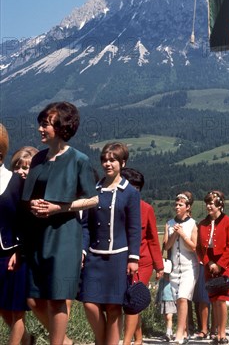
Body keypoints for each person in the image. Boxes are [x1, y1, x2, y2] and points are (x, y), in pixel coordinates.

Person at [22, 102, 98, 345]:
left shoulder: (79, 160)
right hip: (37, 235)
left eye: (45, 124)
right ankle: (65, 341)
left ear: (61, 126)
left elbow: (93, 199)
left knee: (57, 299)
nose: (40, 129)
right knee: (33, 299)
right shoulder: (37, 160)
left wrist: (60, 208)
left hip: (64, 236)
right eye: (41, 123)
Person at [78, 142, 141, 345]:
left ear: (123, 162)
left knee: (114, 307)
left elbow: (134, 228)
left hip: (119, 257)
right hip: (94, 256)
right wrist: (82, 251)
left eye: (112, 160)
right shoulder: (93, 191)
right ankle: (101, 339)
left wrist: (133, 258)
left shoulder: (130, 193)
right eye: (104, 160)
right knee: (89, 303)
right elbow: (86, 226)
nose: (107, 163)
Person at [122, 168, 164, 345]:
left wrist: (159, 265)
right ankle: (138, 338)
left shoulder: (146, 209)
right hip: (119, 259)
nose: (135, 190)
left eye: (138, 187)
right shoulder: (116, 206)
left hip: (142, 262)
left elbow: (153, 238)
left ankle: (126, 342)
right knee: (127, 302)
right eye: (132, 186)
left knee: (133, 299)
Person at [0, 125, 33, 345]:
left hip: (11, 254)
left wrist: (20, 251)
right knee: (3, 310)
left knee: (15, 311)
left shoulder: (16, 182)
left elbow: (26, 222)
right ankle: (29, 340)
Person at [197, 190, 229, 345]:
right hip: (209, 264)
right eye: (207, 203)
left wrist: (220, 265)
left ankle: (222, 333)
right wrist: (208, 263)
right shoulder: (202, 224)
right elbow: (200, 248)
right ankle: (215, 332)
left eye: (211, 203)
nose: (208, 206)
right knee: (213, 299)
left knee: (222, 299)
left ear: (220, 204)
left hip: (225, 264)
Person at [164, 192, 199, 345]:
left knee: (183, 297)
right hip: (174, 268)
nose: (177, 207)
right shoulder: (169, 223)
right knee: (178, 300)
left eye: (180, 205)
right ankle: (184, 330)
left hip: (189, 267)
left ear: (188, 207)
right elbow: (166, 246)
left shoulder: (193, 224)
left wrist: (183, 234)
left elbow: (193, 247)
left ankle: (179, 334)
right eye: (176, 204)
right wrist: (174, 235)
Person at [156, 259, 177, 342]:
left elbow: (175, 291)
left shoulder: (172, 281)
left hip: (171, 301)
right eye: (165, 274)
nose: (166, 276)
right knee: (166, 317)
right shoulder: (162, 281)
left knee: (169, 317)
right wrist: (157, 300)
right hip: (163, 301)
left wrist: (176, 300)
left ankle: (168, 333)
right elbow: (159, 291)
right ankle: (169, 332)